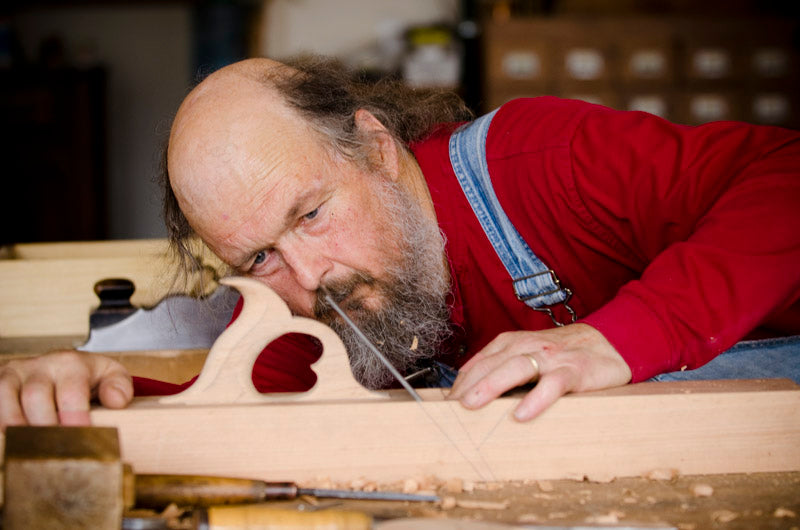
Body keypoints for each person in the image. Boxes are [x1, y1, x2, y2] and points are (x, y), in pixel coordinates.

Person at [1, 56, 799, 431]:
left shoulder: (542, 163)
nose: (313, 280)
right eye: (259, 258)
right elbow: (243, 404)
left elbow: (787, 176)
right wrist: (100, 389)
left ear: (376, 148)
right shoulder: (318, 305)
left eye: (310, 213)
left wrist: (617, 336)